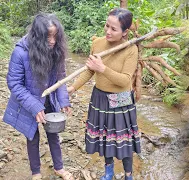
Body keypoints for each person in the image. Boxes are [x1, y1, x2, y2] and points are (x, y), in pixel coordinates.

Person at [67, 8, 140, 180]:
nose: (108, 31)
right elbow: (89, 71)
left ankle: (128, 175)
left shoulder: (131, 50)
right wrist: (73, 88)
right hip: (100, 97)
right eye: (107, 26)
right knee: (106, 137)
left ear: (125, 32)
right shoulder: (98, 43)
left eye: (114, 29)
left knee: (124, 141)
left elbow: (124, 80)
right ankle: (109, 172)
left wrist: (103, 68)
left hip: (121, 99)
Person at [3, 13, 74, 180]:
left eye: (55, 36)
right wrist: (34, 106)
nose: (52, 41)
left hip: (48, 100)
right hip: (29, 102)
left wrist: (64, 100)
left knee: (53, 134)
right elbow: (14, 84)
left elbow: (60, 78)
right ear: (37, 36)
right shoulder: (20, 52)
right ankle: (36, 172)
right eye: (48, 36)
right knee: (32, 136)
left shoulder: (56, 49)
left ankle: (59, 168)